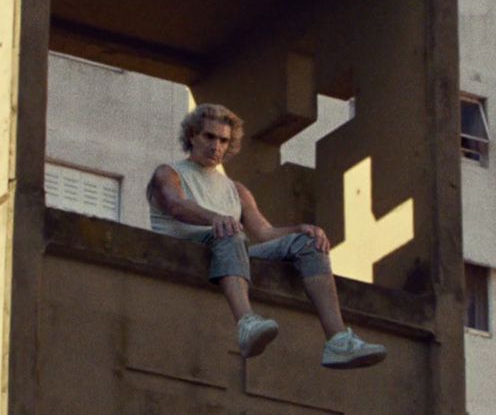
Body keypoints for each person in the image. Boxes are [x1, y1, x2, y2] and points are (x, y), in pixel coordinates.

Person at [146, 103, 386, 369]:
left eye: (224, 140)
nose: (217, 146)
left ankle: (338, 340)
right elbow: (176, 206)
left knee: (308, 244)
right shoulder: (169, 173)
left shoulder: (235, 189)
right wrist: (216, 219)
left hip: (231, 250)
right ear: (192, 136)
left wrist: (301, 229)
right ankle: (246, 323)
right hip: (189, 249)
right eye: (209, 137)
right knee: (231, 233)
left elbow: (263, 232)